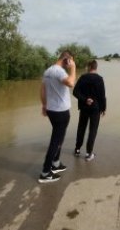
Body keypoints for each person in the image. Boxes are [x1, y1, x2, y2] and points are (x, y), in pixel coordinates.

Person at [39, 51, 76, 183]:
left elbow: (42, 90)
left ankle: (55, 163)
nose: (70, 64)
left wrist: (44, 105)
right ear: (67, 60)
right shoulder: (60, 72)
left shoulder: (48, 71)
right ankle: (45, 172)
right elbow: (71, 83)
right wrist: (73, 68)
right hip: (61, 112)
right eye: (70, 61)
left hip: (52, 110)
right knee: (56, 141)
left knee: (59, 137)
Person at [73, 60, 106, 161]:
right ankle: (88, 154)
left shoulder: (83, 78)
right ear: (96, 67)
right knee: (93, 130)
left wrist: (85, 99)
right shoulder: (100, 79)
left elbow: (75, 92)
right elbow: (102, 96)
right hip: (96, 108)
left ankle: (77, 150)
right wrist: (104, 108)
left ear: (89, 67)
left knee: (81, 128)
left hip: (84, 107)